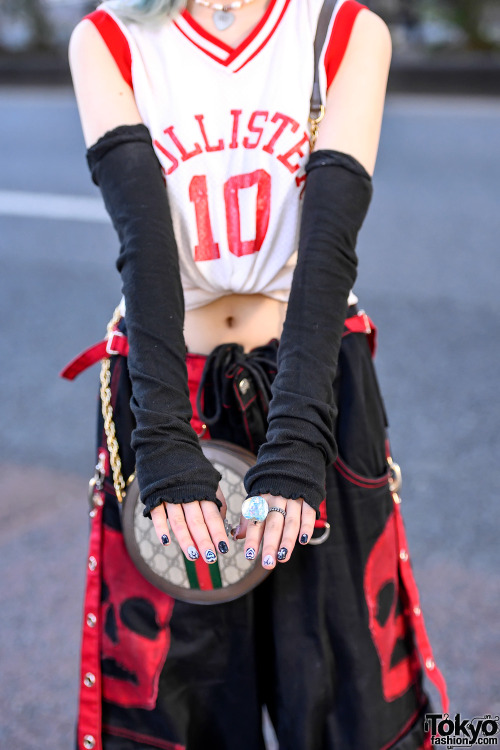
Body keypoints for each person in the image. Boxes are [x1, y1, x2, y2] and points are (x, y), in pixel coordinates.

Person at [67, 1, 447, 748]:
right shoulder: (109, 37)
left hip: (310, 375)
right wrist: (164, 436)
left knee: (352, 696)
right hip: (168, 381)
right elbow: (144, 242)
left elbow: (329, 245)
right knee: (178, 708)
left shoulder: (339, 29)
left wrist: (299, 434)